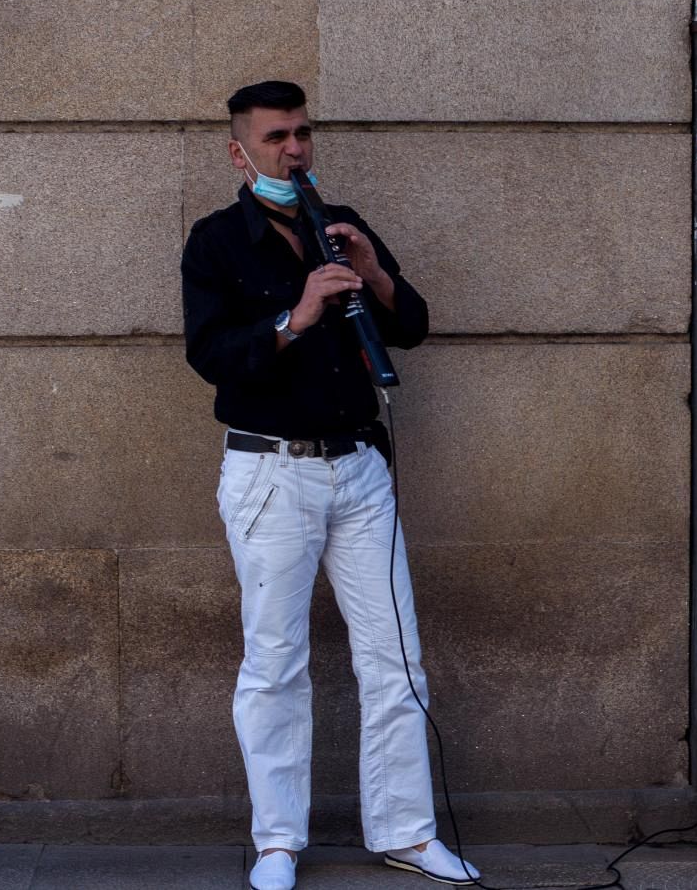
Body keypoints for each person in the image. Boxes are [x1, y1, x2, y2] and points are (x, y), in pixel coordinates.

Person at [181, 81, 479, 890]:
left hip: (359, 468)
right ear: (239, 151)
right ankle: (277, 839)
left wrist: (374, 272)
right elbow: (210, 355)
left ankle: (408, 831)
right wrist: (296, 315)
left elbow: (410, 323)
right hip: (271, 471)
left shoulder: (339, 225)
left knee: (397, 657)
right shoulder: (215, 241)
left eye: (303, 133)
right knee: (275, 661)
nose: (295, 149)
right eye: (277, 137)